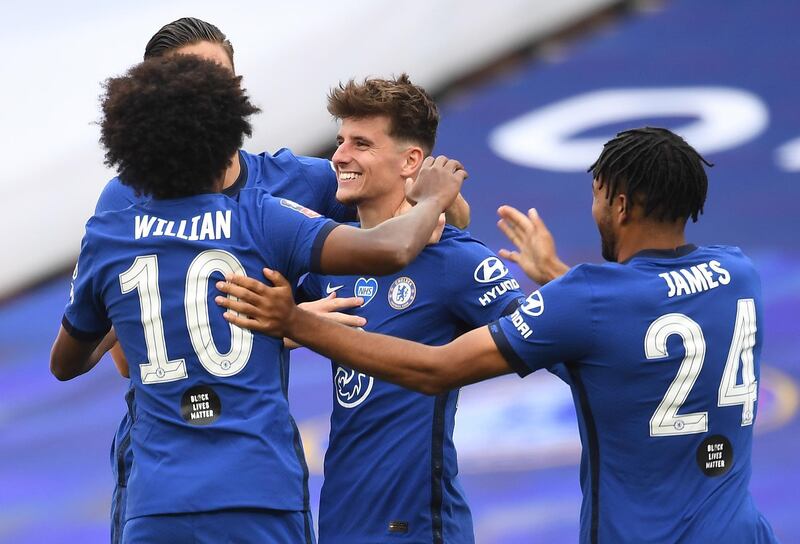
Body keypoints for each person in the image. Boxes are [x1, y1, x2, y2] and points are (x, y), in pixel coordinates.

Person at [216, 127, 779, 543]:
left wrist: (297, 322)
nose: (596, 208)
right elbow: (640, 308)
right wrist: (553, 277)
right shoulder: (737, 273)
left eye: (599, 196)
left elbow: (434, 369)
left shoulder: (586, 299)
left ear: (621, 204)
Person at [50, 55, 466, 544]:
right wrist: (436, 198)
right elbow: (389, 248)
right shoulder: (260, 216)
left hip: (158, 500)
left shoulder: (110, 234)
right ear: (225, 135)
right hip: (258, 491)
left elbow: (66, 363)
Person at [291, 74, 524, 543]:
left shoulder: (456, 259)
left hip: (416, 526)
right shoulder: (328, 261)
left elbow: (551, 340)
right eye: (339, 142)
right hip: (339, 522)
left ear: (410, 160)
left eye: (361, 143)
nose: (339, 156)